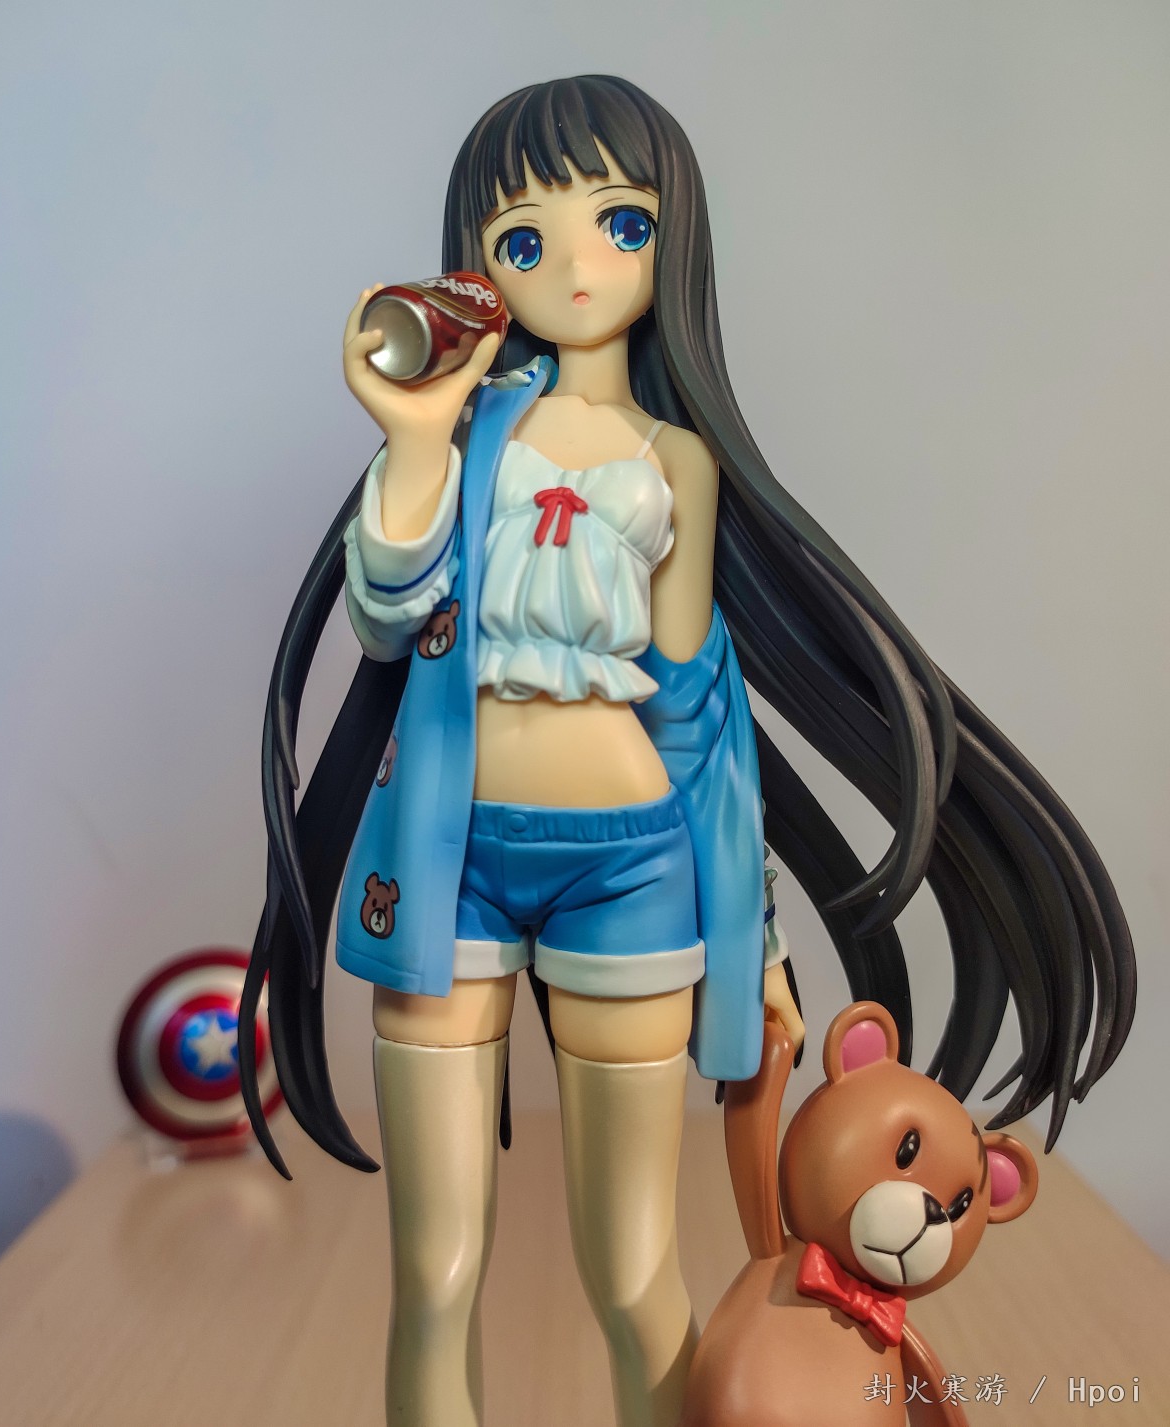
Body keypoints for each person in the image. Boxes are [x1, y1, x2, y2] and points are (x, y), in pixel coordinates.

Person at [239, 75, 1134, 1427]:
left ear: (675, 242)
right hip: (446, 862)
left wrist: (753, 937)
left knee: (632, 1272)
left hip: (635, 869)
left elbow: (694, 708)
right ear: (477, 263)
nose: (576, 266)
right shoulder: (463, 432)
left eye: (621, 223)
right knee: (434, 1274)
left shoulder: (677, 464)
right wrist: (414, 437)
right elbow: (385, 610)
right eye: (524, 238)